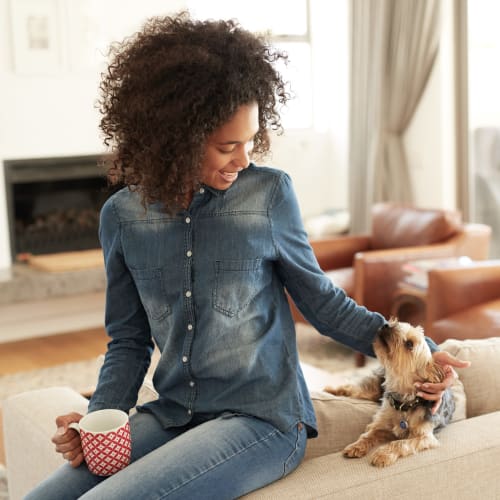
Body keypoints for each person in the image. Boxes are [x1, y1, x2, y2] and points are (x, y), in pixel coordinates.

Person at [26, 12, 469, 500]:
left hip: (263, 419)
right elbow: (129, 341)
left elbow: (321, 301)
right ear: (174, 140)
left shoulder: (270, 195)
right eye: (226, 146)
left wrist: (419, 357)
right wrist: (98, 420)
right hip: (174, 412)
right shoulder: (121, 218)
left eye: (251, 139)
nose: (244, 158)